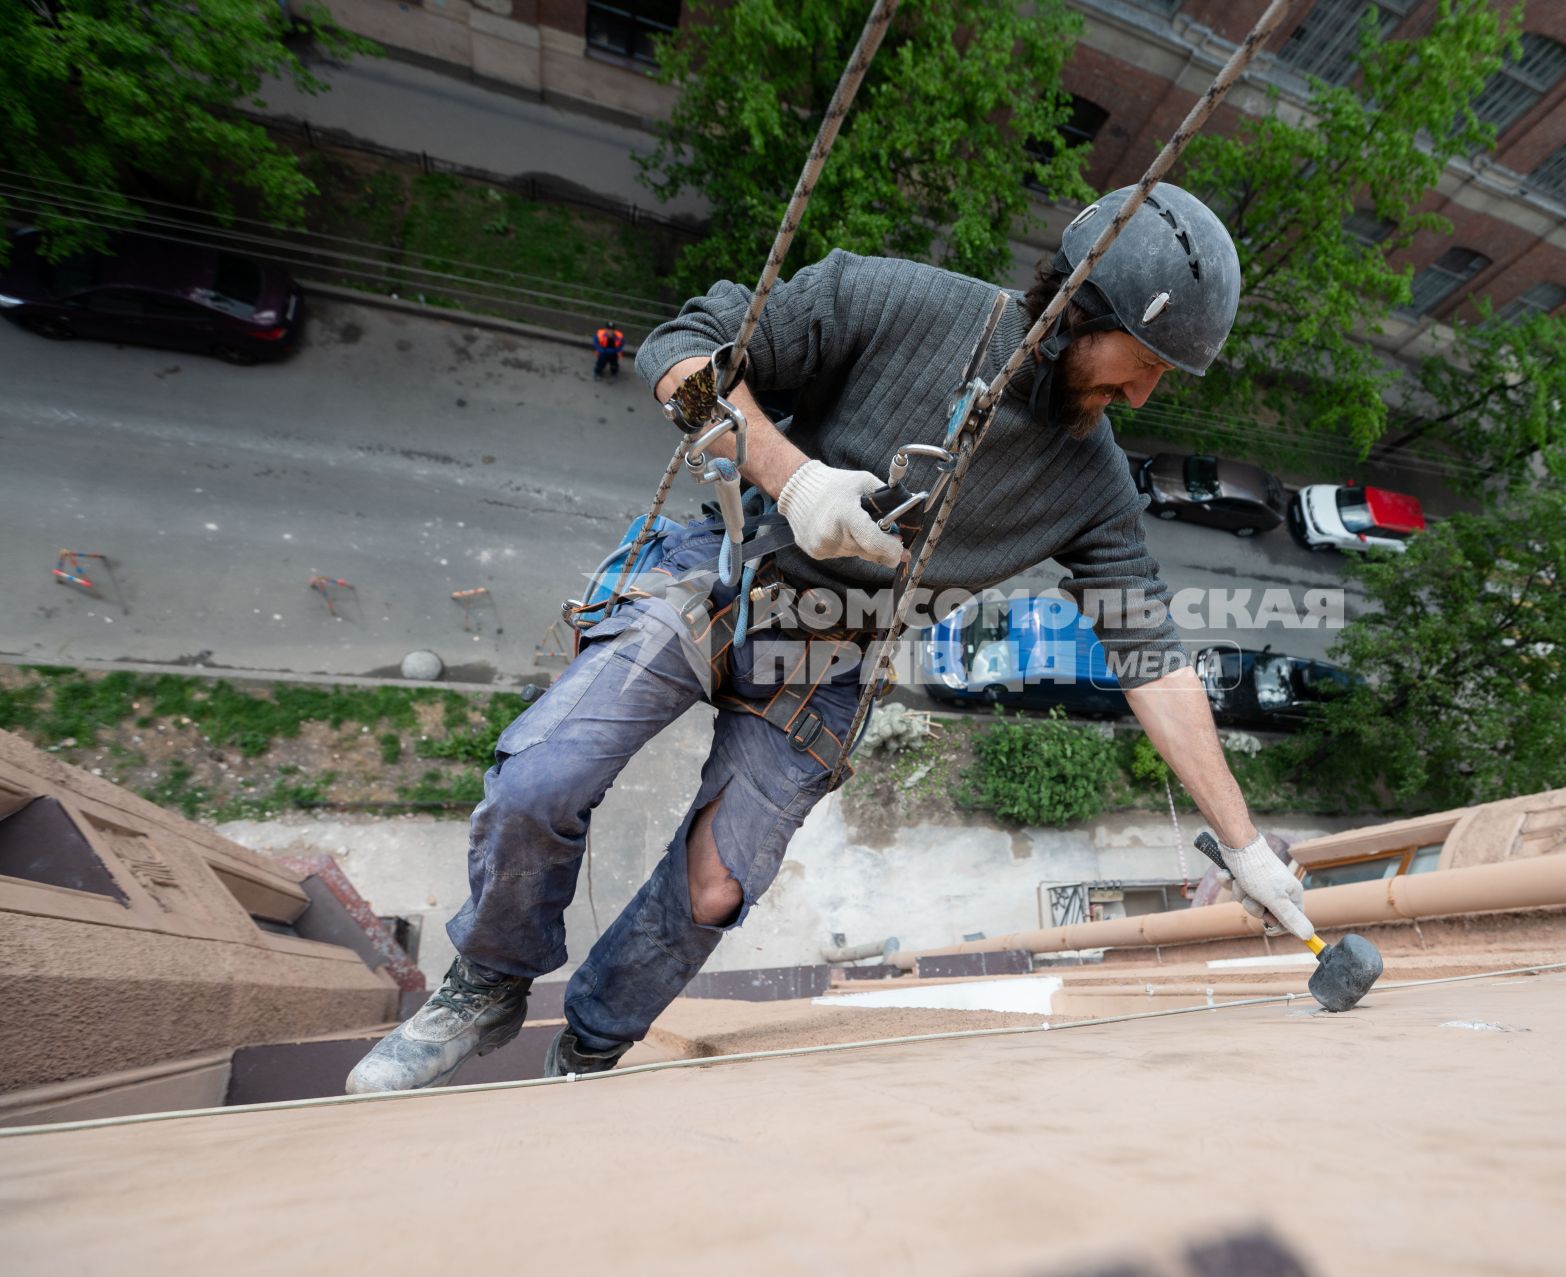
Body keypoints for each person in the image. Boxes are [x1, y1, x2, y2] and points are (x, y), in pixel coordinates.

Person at [344, 185, 1310, 1093]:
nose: (1143, 397)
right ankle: (488, 984)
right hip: (730, 569)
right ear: (1084, 310)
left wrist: (1246, 844)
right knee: (544, 776)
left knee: (717, 882)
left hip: (833, 650)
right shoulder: (896, 301)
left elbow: (1151, 655)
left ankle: (591, 1041)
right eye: (1143, 364)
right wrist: (793, 476)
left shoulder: (1091, 484)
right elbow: (680, 350)